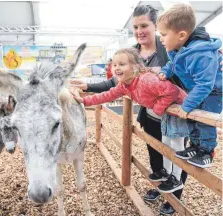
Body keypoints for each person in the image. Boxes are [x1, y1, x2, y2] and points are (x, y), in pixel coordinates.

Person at [70, 5, 188, 215]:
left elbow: (188, 70)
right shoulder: (132, 53)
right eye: (135, 26)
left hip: (173, 113)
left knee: (175, 152)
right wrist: (87, 90)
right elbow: (114, 86)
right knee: (156, 154)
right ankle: (161, 190)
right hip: (151, 114)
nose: (139, 30)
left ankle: (174, 199)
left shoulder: (171, 48)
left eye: (144, 25)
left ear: (156, 25)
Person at [72, 47, 189, 192]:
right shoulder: (125, 85)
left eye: (122, 64)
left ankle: (177, 179)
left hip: (179, 110)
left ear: (136, 67)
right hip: (168, 112)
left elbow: (173, 91)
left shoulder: (146, 80)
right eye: (114, 65)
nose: (116, 68)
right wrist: (84, 101)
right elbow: (107, 95)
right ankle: (166, 172)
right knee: (165, 144)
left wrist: (157, 108)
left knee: (176, 146)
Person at [157, 3, 222, 168]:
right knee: (191, 117)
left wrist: (186, 105)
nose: (161, 39)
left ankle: (207, 151)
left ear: (181, 35)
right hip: (198, 90)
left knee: (204, 120)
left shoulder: (202, 53)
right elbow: (173, 64)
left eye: (164, 34)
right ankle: (194, 146)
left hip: (213, 91)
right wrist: (165, 72)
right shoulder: (181, 49)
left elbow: (205, 85)